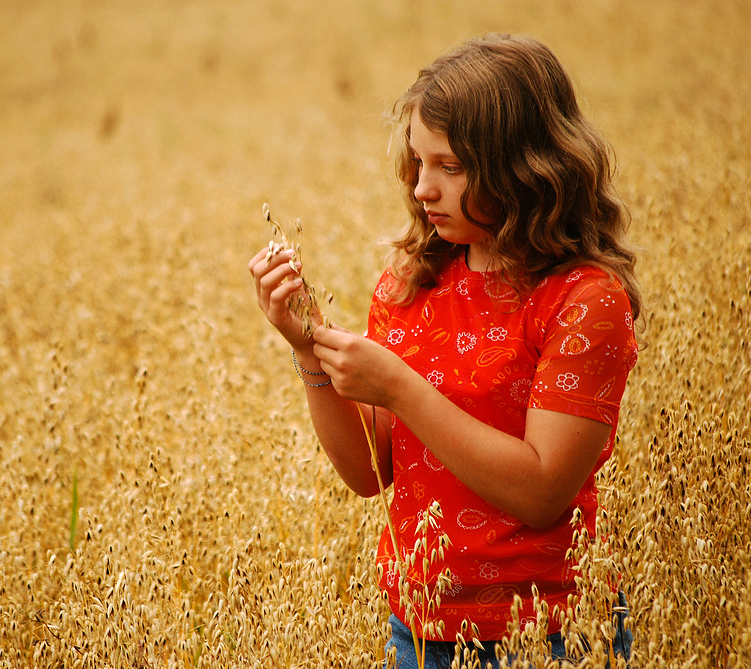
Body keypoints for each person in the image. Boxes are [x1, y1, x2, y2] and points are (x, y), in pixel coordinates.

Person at [248, 33, 640, 668]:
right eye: (418, 162)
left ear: (525, 167)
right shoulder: (412, 281)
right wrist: (309, 353)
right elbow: (368, 473)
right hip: (420, 625)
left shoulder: (584, 300)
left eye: (451, 168)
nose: (424, 189)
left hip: (548, 632)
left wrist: (400, 386)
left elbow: (544, 491)